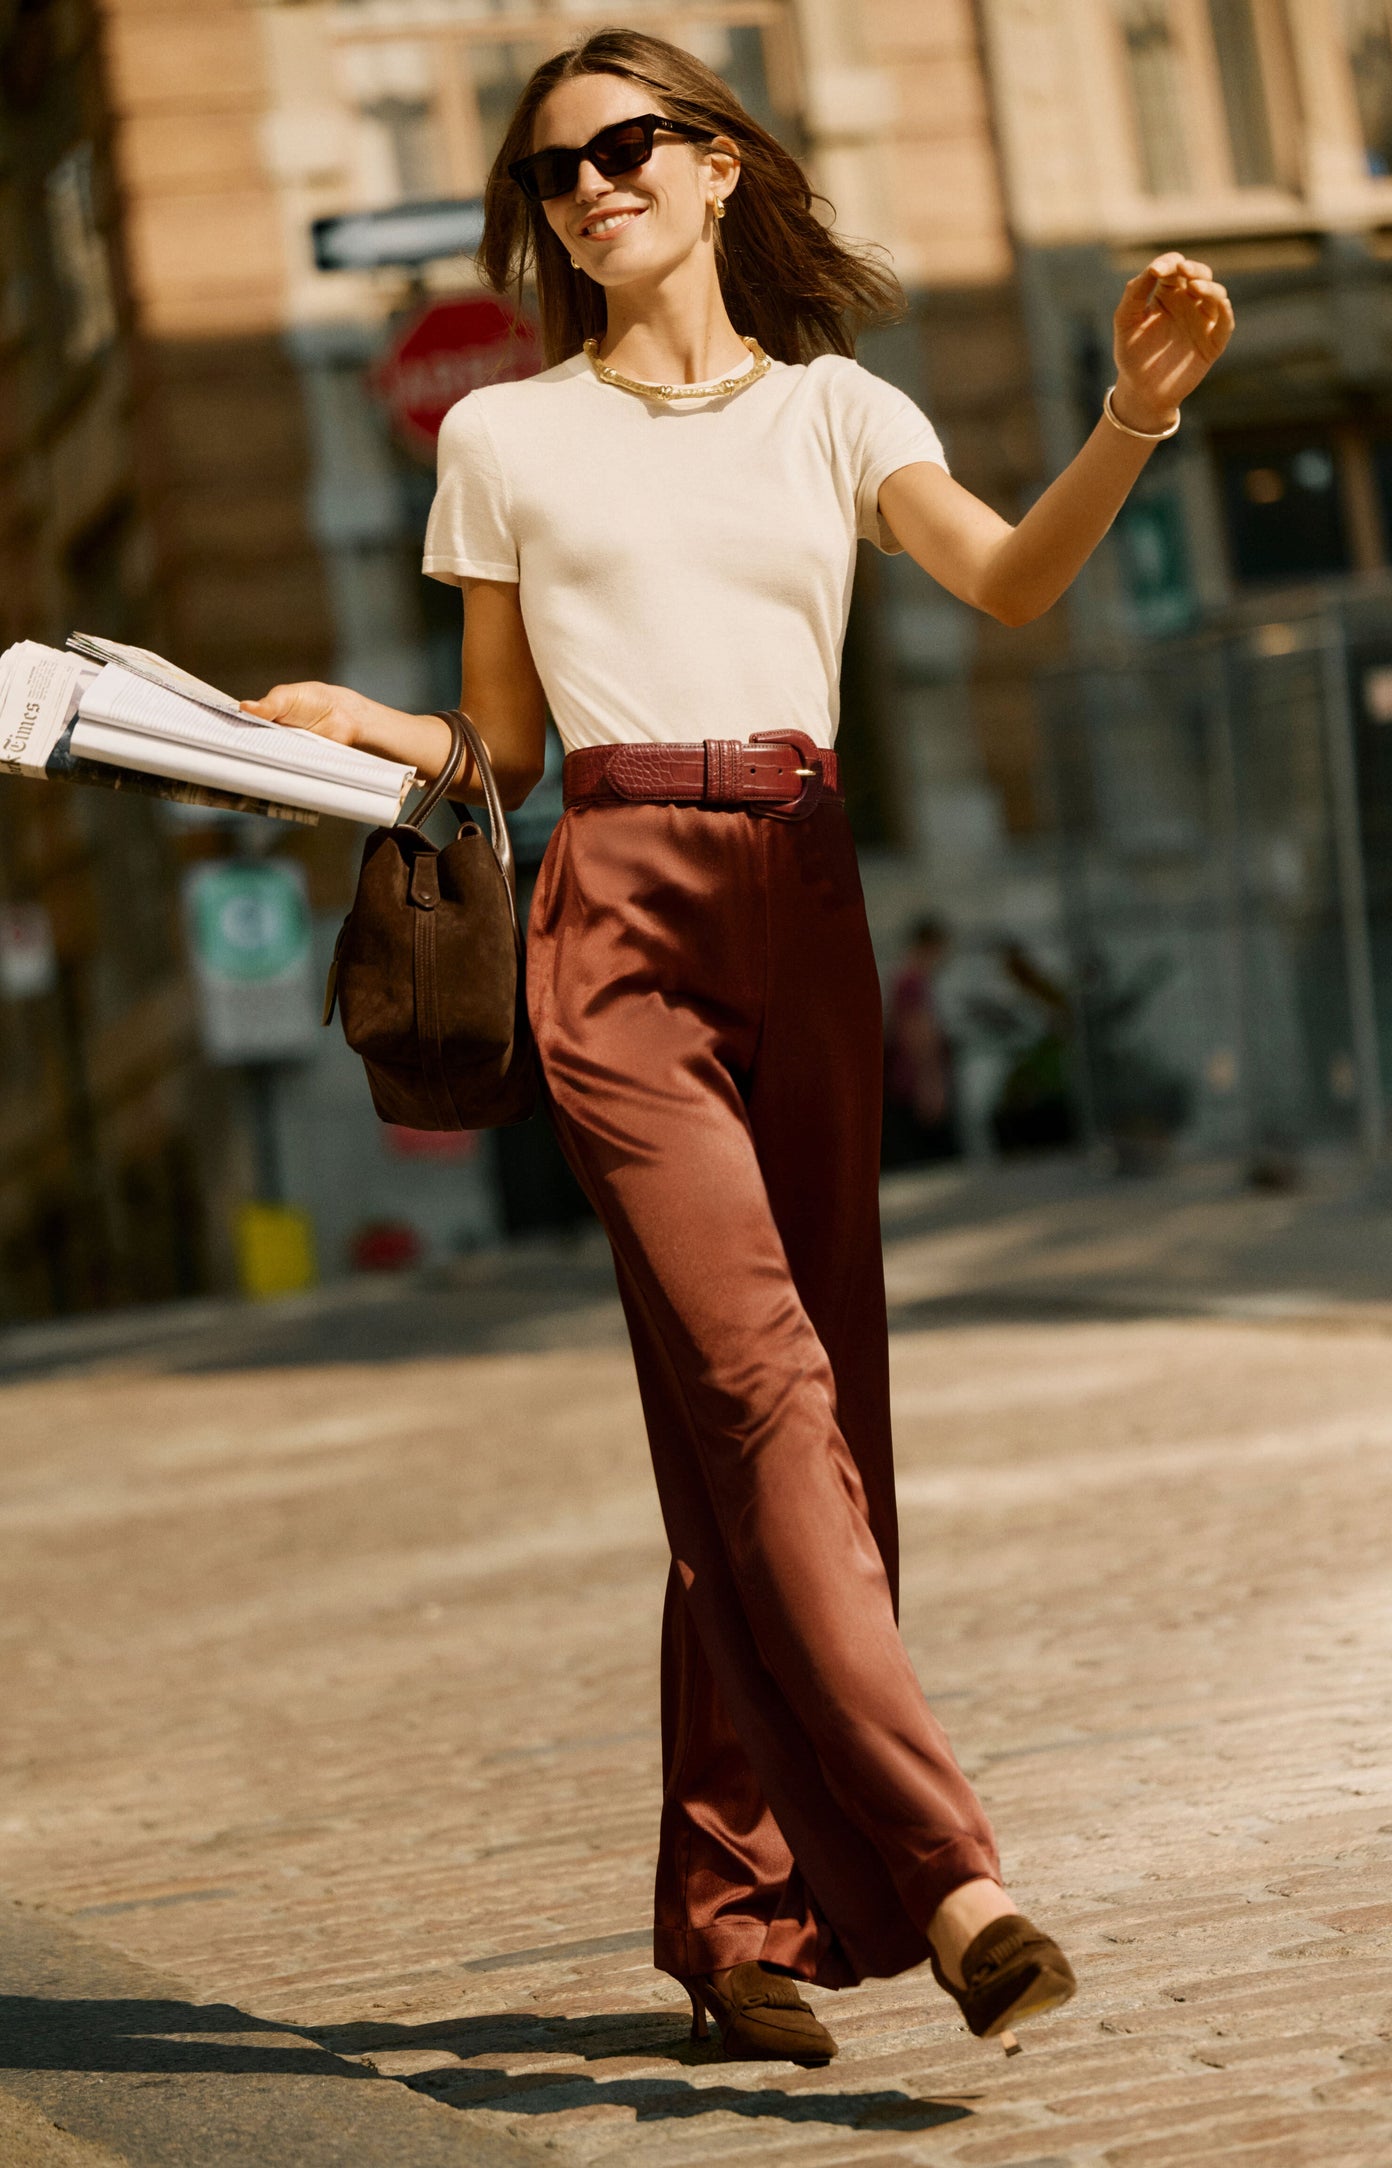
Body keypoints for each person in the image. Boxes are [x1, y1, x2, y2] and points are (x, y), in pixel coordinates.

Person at [242, 29, 1234, 2063]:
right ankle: (948, 1879)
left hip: (804, 889)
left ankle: (731, 1914)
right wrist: (370, 730)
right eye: (550, 176)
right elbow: (500, 745)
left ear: (711, 171)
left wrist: (1125, 417)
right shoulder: (500, 441)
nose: (586, 189)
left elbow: (1010, 581)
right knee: (761, 1384)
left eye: (621, 149)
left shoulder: (833, 409)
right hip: (609, 914)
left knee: (793, 1414)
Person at [882, 916, 961, 1169]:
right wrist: (930, 1084)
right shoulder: (912, 981)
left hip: (909, 1084)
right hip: (914, 1085)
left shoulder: (908, 979)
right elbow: (918, 1036)